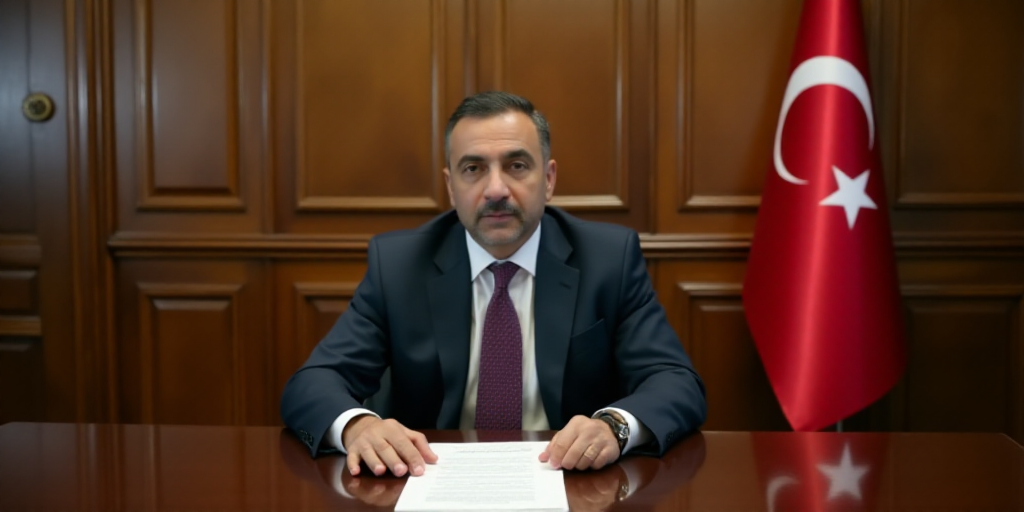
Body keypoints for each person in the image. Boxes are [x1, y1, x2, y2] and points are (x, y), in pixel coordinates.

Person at [281, 91, 706, 478]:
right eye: (473, 169)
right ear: (451, 186)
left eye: (517, 166)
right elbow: (313, 383)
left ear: (549, 179)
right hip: (432, 479)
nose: (496, 189)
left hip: (569, 481)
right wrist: (358, 426)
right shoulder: (398, 266)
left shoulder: (609, 259)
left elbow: (675, 382)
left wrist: (614, 426)